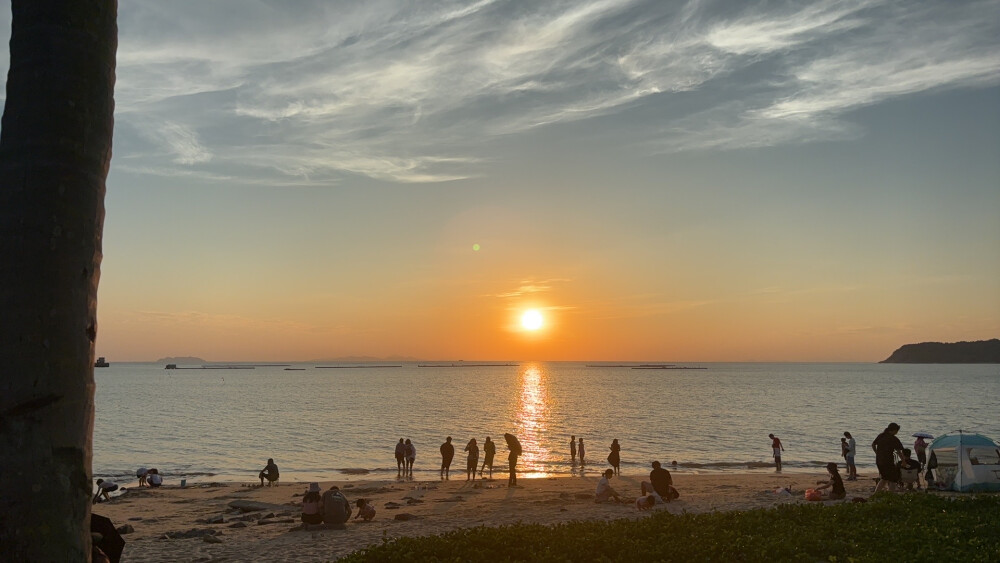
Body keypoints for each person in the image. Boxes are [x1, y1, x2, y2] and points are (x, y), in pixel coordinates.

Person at [872, 423, 904, 492]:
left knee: (884, 478)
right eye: (897, 431)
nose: (897, 433)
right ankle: (891, 494)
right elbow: (899, 452)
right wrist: (904, 461)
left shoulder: (881, 436)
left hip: (879, 461)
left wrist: (877, 453)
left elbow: (873, 444)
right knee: (893, 478)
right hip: (888, 461)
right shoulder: (893, 438)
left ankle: (876, 493)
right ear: (894, 430)